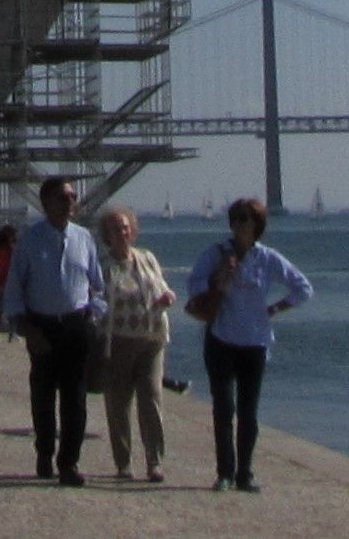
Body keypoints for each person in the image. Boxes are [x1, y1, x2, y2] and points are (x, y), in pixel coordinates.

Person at [185, 198, 312, 491]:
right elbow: (194, 284)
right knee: (223, 407)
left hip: (254, 341)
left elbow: (303, 288)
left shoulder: (267, 258)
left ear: (257, 225)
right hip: (221, 338)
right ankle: (224, 473)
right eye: (236, 219)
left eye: (247, 219)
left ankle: (245, 472)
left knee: (248, 411)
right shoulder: (216, 253)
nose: (241, 224)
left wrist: (277, 308)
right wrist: (217, 280)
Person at [4, 177, 109, 483]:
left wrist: (94, 315)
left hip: (76, 324)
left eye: (73, 197)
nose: (70, 202)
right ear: (47, 202)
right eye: (64, 197)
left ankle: (69, 463)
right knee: (43, 394)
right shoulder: (30, 240)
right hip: (43, 326)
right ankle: (44, 452)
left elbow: (98, 286)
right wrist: (25, 327)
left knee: (76, 397)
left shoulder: (84, 238)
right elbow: (14, 287)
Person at [94, 207, 176, 484]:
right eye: (116, 229)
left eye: (126, 227)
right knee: (118, 404)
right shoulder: (104, 268)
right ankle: (123, 462)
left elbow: (161, 286)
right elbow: (95, 300)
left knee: (151, 399)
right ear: (107, 234)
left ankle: (155, 462)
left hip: (151, 338)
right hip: (117, 340)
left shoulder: (147, 258)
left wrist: (166, 297)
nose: (122, 233)